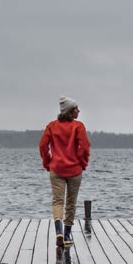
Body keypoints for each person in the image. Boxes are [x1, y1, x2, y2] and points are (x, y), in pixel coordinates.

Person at [39, 95, 91, 248]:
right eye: (76, 109)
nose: (79, 111)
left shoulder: (52, 126)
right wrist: (82, 163)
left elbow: (42, 146)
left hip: (56, 169)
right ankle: (67, 235)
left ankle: (58, 232)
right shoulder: (78, 126)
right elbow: (85, 147)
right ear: (70, 111)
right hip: (75, 170)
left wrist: (48, 162)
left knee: (57, 201)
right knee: (71, 203)